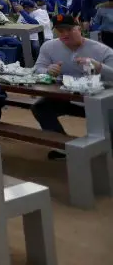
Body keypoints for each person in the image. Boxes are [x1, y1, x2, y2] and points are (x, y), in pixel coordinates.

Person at [32, 14, 113, 159]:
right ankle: (62, 147)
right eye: (59, 31)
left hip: (97, 101)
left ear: (79, 28)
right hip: (67, 97)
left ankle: (105, 153)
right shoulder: (49, 46)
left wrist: (99, 66)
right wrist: (48, 71)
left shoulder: (101, 50)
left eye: (68, 30)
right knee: (41, 107)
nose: (64, 34)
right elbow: (37, 69)